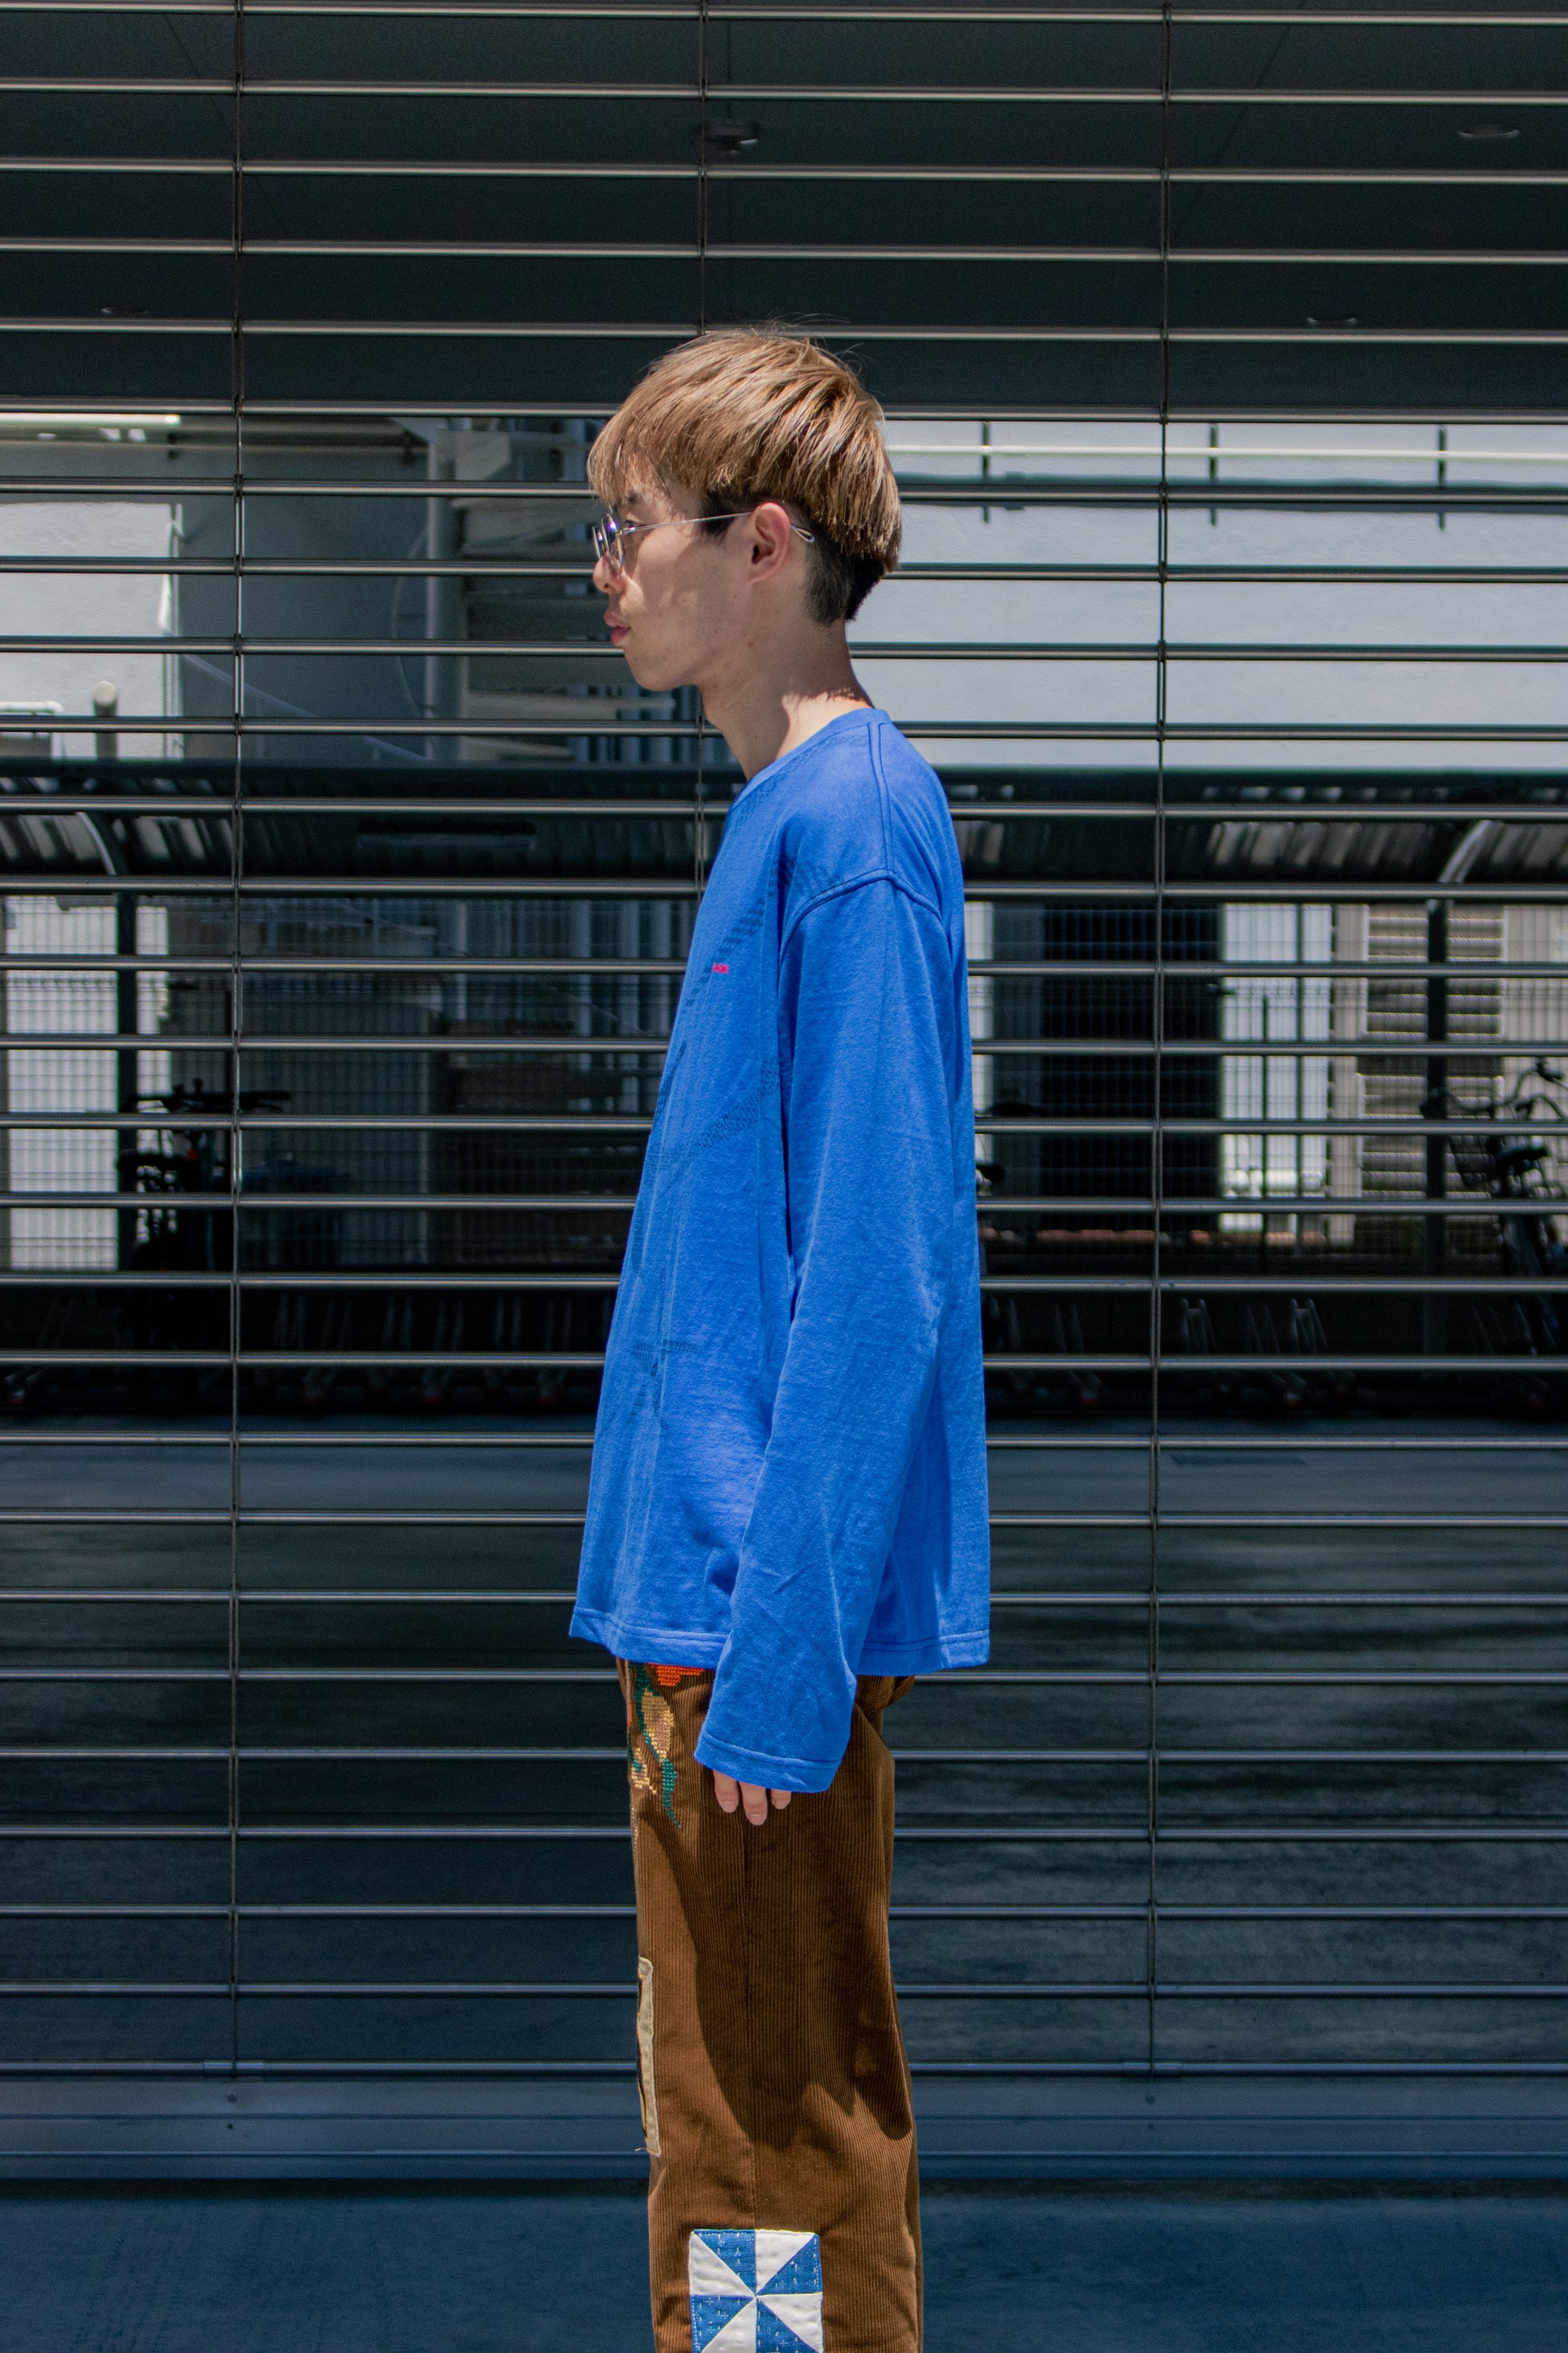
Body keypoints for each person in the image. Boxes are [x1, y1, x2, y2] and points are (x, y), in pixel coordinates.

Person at [569, 329, 990, 2353]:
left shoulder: (856, 826)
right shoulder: (781, 819)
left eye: (627, 523)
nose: (603, 566)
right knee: (718, 2115)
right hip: (706, 1609)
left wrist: (788, 1654)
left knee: (776, 2135)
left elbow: (882, 1275)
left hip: (751, 1624)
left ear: (757, 545)